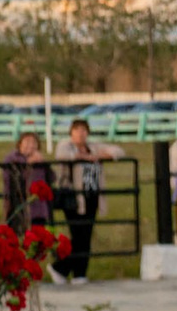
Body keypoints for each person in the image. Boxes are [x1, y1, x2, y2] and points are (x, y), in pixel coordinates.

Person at [51, 119, 124, 283]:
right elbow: (62, 156)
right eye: (76, 130)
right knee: (78, 235)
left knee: (86, 235)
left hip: (92, 196)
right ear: (71, 132)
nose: (80, 133)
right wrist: (83, 156)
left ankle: (78, 273)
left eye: (83, 130)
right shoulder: (65, 145)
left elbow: (118, 151)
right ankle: (61, 268)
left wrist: (98, 155)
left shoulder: (93, 146)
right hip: (74, 197)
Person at [2, 132, 55, 234]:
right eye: (27, 142)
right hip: (18, 204)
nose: (30, 145)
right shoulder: (12, 158)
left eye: (34, 142)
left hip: (38, 207)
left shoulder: (39, 160)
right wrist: (28, 164)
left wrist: (44, 164)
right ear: (20, 144)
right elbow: (11, 179)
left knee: (37, 236)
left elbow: (52, 178)